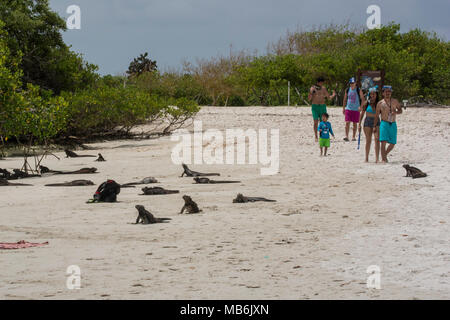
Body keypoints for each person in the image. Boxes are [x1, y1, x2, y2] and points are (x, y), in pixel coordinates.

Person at [374, 85, 402, 163]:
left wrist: (395, 112)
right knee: (383, 141)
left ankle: (384, 155)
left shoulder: (395, 101)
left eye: (389, 91)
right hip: (384, 123)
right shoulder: (380, 103)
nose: (388, 93)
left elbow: (400, 110)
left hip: (393, 123)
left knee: (393, 143)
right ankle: (383, 159)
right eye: (386, 92)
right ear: (383, 93)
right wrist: (374, 126)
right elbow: (376, 115)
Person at [308, 76, 336, 142]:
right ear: (318, 82)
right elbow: (309, 99)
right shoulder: (312, 88)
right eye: (321, 82)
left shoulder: (323, 89)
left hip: (322, 107)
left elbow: (328, 97)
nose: (322, 84)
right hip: (315, 107)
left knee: (323, 122)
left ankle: (322, 136)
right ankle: (316, 136)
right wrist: (311, 93)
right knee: (315, 122)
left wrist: (333, 95)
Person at [358, 87, 380, 162]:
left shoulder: (379, 103)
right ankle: (366, 158)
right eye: (371, 94)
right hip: (367, 121)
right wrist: (359, 124)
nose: (372, 95)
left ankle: (377, 158)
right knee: (368, 140)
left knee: (377, 139)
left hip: (376, 121)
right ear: (369, 94)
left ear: (376, 94)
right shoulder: (366, 103)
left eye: (374, 94)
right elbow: (362, 114)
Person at [342, 77, 365, 141]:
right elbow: (344, 99)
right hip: (348, 108)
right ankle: (346, 136)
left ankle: (353, 137)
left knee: (355, 123)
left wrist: (361, 107)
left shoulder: (358, 90)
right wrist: (343, 108)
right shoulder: (347, 90)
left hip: (356, 109)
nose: (352, 84)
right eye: (351, 83)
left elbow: (363, 99)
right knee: (347, 122)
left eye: (353, 83)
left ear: (355, 83)